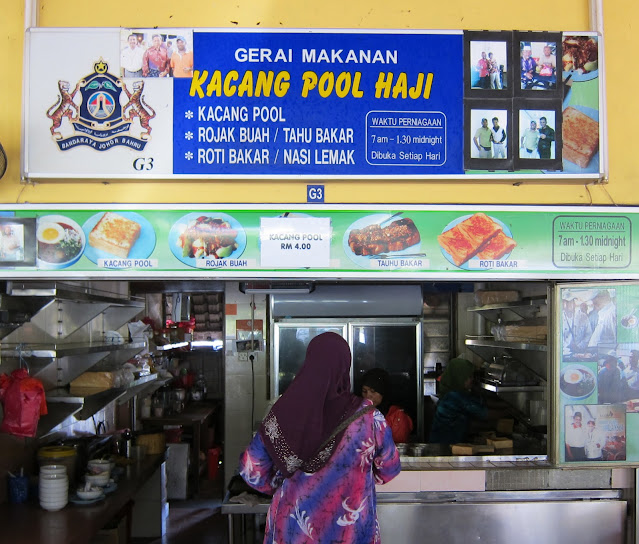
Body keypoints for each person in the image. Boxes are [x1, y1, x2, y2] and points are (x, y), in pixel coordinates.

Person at [238, 332, 400, 544]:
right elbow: (388, 470)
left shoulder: (283, 413)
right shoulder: (370, 419)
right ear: (345, 369)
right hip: (350, 534)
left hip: (293, 532)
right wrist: (353, 480)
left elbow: (253, 472)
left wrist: (287, 486)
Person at [429, 358, 488, 445]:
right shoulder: (453, 397)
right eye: (469, 377)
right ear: (459, 377)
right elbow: (484, 413)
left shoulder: (453, 392)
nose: (472, 380)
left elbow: (479, 403)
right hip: (443, 449)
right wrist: (507, 410)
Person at [360, 368, 414, 443]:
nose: (368, 396)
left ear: (383, 391)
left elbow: (398, 448)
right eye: (364, 391)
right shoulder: (359, 413)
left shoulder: (397, 416)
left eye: (373, 391)